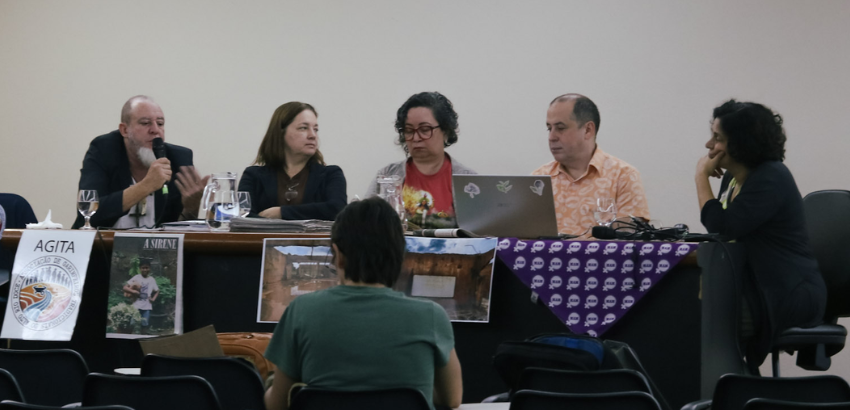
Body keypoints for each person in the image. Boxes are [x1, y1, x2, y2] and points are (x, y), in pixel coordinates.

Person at [263, 197, 463, 410]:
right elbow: (452, 399)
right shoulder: (431, 315)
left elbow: (277, 405)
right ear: (400, 256)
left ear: (338, 255)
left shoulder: (301, 310)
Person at [695, 99, 826, 372]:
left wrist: (700, 178)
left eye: (717, 138)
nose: (709, 145)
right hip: (754, 287)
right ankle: (732, 386)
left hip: (787, 292)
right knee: (687, 309)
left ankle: (736, 389)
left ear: (741, 144)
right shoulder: (732, 179)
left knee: (704, 327)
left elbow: (723, 227)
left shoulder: (771, 178)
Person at [73, 95, 208, 229]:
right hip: (105, 242)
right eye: (145, 123)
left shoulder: (178, 159)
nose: (155, 130)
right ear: (124, 130)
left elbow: (179, 230)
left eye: (160, 123)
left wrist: (192, 207)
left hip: (156, 243)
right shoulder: (103, 150)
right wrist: (146, 185)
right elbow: (88, 214)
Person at [532, 94, 650, 235]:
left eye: (560, 128)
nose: (551, 137)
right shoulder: (538, 179)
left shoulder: (623, 176)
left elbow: (628, 240)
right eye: (549, 128)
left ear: (588, 130)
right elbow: (523, 237)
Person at [366, 91, 476, 229]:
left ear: (446, 131)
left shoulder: (469, 181)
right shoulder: (387, 175)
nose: (416, 138)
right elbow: (364, 222)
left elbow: (480, 231)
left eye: (425, 129)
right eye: (409, 131)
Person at [239, 102, 346, 221]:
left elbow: (337, 209)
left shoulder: (331, 174)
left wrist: (281, 212)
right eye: (303, 128)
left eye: (315, 129)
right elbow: (244, 216)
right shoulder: (253, 176)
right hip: (261, 234)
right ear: (281, 132)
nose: (313, 135)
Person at [122, 257, 159, 335]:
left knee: (144, 325)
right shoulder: (136, 277)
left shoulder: (151, 279)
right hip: (136, 306)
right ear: (140, 269)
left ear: (150, 268)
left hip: (147, 307)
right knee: (133, 324)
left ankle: (143, 338)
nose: (145, 270)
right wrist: (133, 291)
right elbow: (125, 287)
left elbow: (157, 291)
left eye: (147, 268)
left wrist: (153, 299)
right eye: (143, 268)